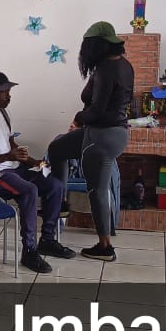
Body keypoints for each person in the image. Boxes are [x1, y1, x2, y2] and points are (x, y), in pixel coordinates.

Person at [0, 72, 74, 274]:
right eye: (4, 92)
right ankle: (29, 250)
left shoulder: (4, 114)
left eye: (9, 91)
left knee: (55, 185)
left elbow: (11, 145)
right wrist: (8, 156)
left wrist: (35, 162)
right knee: (29, 190)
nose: (8, 96)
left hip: (12, 168)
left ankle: (47, 240)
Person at [46, 21, 133, 262]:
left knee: (97, 190)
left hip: (100, 137)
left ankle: (105, 247)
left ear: (96, 46)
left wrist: (77, 119)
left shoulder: (105, 69)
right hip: (115, 134)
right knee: (57, 148)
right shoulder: (125, 65)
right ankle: (61, 200)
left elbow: (96, 111)